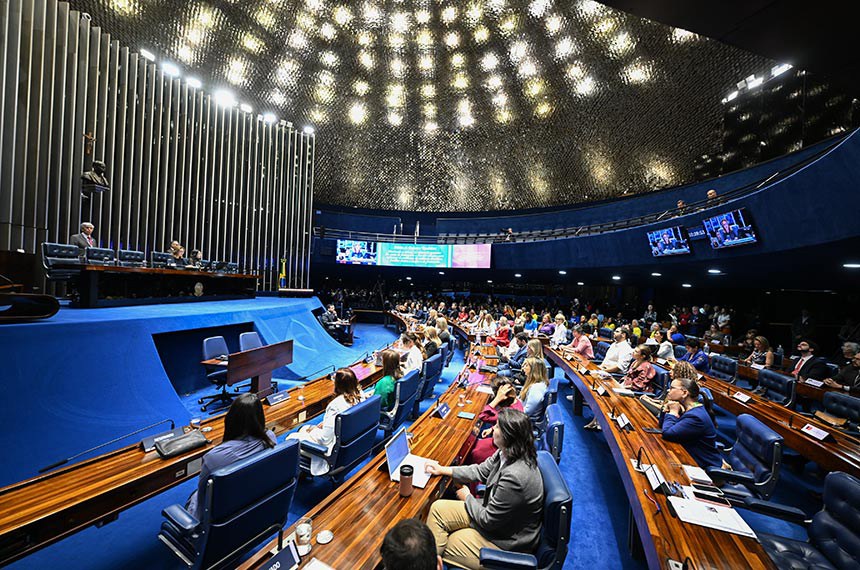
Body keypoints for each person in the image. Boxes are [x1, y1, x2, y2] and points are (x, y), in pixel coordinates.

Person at [425, 408, 543, 570]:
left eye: (497, 426)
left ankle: (431, 562)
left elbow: (488, 520)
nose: (493, 428)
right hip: (497, 519)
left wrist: (467, 497)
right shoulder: (507, 452)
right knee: (438, 508)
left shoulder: (516, 476)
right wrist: (443, 469)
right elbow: (480, 470)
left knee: (448, 542)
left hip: (505, 540)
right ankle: (433, 561)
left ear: (508, 436)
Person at [186, 394, 276, 517]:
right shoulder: (270, 438)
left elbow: (202, 499)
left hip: (219, 520)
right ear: (260, 417)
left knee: (194, 496)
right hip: (253, 508)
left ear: (230, 419)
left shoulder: (214, 457)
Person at [286, 367, 366, 475]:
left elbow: (324, 438)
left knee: (291, 438)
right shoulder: (360, 395)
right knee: (304, 429)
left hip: (331, 450)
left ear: (337, 384)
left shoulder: (335, 405)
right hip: (351, 442)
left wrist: (312, 430)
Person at [660, 374, 722, 470]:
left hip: (703, 468)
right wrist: (667, 408)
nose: (668, 390)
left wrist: (672, 412)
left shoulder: (695, 417)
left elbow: (667, 433)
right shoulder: (686, 408)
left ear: (684, 393)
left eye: (672, 388)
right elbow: (662, 425)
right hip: (688, 457)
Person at [466, 378, 523, 465]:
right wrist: (492, 429)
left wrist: (497, 399)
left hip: (503, 449)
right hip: (505, 441)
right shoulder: (515, 402)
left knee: (470, 449)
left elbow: (482, 416)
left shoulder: (509, 412)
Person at [519, 357, 549, 421]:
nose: (523, 367)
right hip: (519, 410)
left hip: (525, 420)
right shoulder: (531, 382)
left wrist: (509, 410)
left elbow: (526, 412)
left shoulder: (536, 388)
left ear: (534, 369)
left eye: (526, 365)